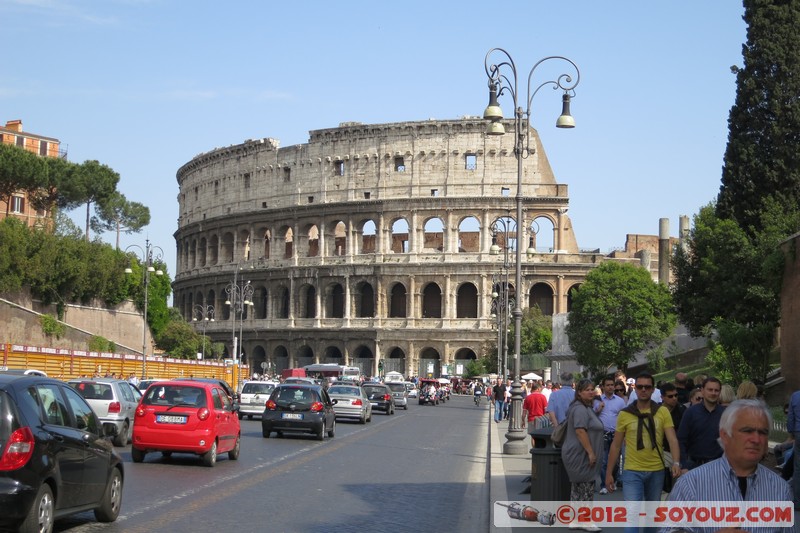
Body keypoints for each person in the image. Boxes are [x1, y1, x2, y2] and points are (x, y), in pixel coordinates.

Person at [661, 399, 793, 533]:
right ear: (725, 435)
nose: (756, 439)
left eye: (763, 432)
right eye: (747, 431)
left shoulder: (780, 489)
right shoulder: (691, 484)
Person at [605, 373, 681, 533]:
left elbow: (672, 439)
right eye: (640, 387)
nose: (643, 390)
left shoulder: (662, 412)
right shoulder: (625, 414)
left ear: (653, 389)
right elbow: (616, 445)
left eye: (647, 387)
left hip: (656, 470)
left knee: (651, 517)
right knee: (632, 516)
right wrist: (609, 473)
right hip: (632, 470)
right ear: (635, 389)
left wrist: (676, 462)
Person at [562, 379, 605, 532]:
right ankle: (585, 521)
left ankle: (575, 520)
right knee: (586, 486)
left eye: (592, 389)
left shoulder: (583, 407)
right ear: (579, 392)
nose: (591, 392)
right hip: (581, 454)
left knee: (578, 487)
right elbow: (580, 431)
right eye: (587, 389)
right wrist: (591, 452)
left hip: (578, 453)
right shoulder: (580, 409)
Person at [678, 377, 725, 472]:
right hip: (695, 466)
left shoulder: (725, 413)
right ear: (702, 391)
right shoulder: (690, 413)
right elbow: (681, 440)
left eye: (716, 390)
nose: (713, 393)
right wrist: (683, 465)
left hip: (720, 465)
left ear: (720, 392)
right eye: (710, 390)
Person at [594, 375, 626, 495]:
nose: (610, 387)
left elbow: (624, 417)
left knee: (616, 461)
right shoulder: (597, 400)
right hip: (603, 433)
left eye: (612, 385)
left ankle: (613, 480)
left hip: (616, 433)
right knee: (603, 460)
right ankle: (604, 484)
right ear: (603, 387)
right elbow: (592, 414)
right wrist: (598, 409)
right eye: (607, 385)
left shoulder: (620, 401)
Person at [659, 382, 686, 493]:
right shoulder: (656, 411)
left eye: (676, 395)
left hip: (680, 450)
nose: (674, 398)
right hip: (663, 450)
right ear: (662, 397)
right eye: (670, 396)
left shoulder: (682, 410)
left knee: (677, 485)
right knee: (664, 483)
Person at [521, 381, 548, 447]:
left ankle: (534, 449)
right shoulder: (543, 397)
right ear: (538, 389)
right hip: (541, 419)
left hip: (531, 419)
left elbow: (524, 411)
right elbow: (546, 410)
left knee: (533, 436)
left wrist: (523, 420)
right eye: (541, 389)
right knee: (541, 436)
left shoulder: (528, 398)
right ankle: (539, 449)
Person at [787, 389, 800, 510]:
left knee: (798, 468)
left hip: (799, 432)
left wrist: (791, 432)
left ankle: (797, 501)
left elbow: (790, 417)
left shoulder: (795, 396)